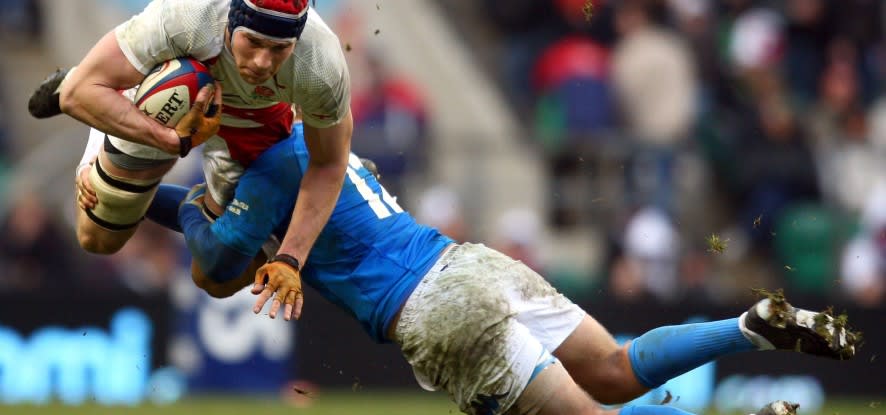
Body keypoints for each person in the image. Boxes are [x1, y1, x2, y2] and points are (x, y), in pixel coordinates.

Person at [79, 126, 856, 415]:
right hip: (473, 262)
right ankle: (747, 327)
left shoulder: (262, 177)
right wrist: (154, 196)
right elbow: (230, 210)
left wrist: (152, 203)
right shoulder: (321, 144)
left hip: (436, 316)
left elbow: (216, 257)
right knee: (616, 373)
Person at [29, 0, 352, 309]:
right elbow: (78, 94)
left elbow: (330, 162)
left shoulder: (321, 61)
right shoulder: (187, 15)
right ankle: (111, 110)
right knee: (97, 239)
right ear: (232, 21)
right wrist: (166, 141)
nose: (261, 62)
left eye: (279, 48)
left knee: (216, 276)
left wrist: (289, 259)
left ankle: (187, 202)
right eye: (252, 42)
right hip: (177, 101)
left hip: (257, 121)